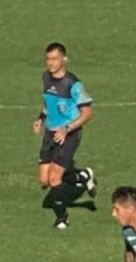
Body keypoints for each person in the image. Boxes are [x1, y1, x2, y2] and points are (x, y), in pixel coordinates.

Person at [33, 42, 97, 230]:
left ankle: (62, 218)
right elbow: (48, 102)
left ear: (64, 59)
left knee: (55, 179)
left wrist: (67, 129)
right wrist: (40, 118)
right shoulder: (45, 77)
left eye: (54, 59)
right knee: (44, 180)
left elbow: (88, 113)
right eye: (48, 59)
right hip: (50, 132)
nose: (50, 63)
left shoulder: (73, 84)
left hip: (69, 133)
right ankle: (81, 176)